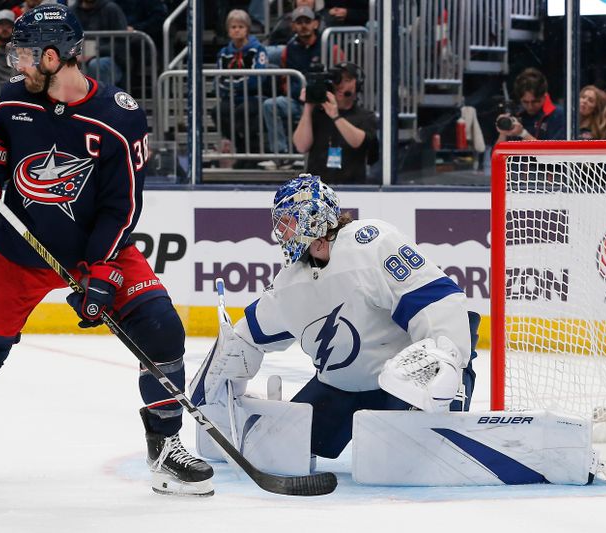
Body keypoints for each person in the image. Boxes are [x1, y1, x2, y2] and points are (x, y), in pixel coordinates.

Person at [0, 4, 214, 497]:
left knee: (161, 327)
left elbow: (123, 206)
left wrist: (101, 270)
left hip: (96, 248)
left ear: (55, 57)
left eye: (27, 54)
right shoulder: (15, 99)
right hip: (20, 248)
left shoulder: (119, 118)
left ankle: (165, 446)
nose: (18, 64)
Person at [190, 174, 478, 462]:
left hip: (405, 384)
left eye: (287, 221)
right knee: (281, 448)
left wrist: (445, 360)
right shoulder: (289, 284)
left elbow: (437, 302)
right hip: (341, 388)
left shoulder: (372, 244)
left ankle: (442, 416)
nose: (281, 232)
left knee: (404, 456)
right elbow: (246, 337)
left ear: (311, 216)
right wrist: (217, 386)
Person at [261, 7, 342, 166]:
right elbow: (285, 79)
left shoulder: (330, 46)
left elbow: (340, 78)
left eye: (307, 21)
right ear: (293, 26)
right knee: (271, 105)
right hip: (298, 102)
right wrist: (298, 94)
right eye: (299, 22)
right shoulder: (288, 50)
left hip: (325, 103)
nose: (303, 25)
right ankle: (281, 155)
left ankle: (323, 159)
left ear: (316, 24)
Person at [293, 61, 378, 183]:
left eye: (347, 80)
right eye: (337, 80)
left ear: (357, 84)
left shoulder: (366, 116)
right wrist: (308, 107)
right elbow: (301, 146)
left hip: (353, 188)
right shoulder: (318, 113)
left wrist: (335, 116)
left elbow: (358, 142)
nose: (341, 85)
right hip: (317, 188)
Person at [212, 9, 268, 169]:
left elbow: (258, 77)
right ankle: (243, 149)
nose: (237, 30)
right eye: (233, 27)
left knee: (242, 111)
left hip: (254, 96)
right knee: (217, 111)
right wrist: (233, 87)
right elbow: (218, 78)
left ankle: (254, 151)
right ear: (228, 31)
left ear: (247, 29)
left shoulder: (258, 49)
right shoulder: (223, 53)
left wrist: (234, 86)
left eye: (241, 27)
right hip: (230, 97)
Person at [495, 67, 565, 142]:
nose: (530, 106)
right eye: (525, 102)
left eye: (535, 101)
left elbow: (552, 152)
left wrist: (523, 134)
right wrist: (503, 132)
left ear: (545, 96)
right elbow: (496, 153)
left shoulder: (559, 115)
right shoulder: (516, 115)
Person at [70, 0, 127, 86]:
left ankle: (98, 98)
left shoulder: (111, 9)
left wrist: (95, 53)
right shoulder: (72, 11)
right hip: (78, 58)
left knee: (96, 65)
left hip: (109, 59)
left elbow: (121, 42)